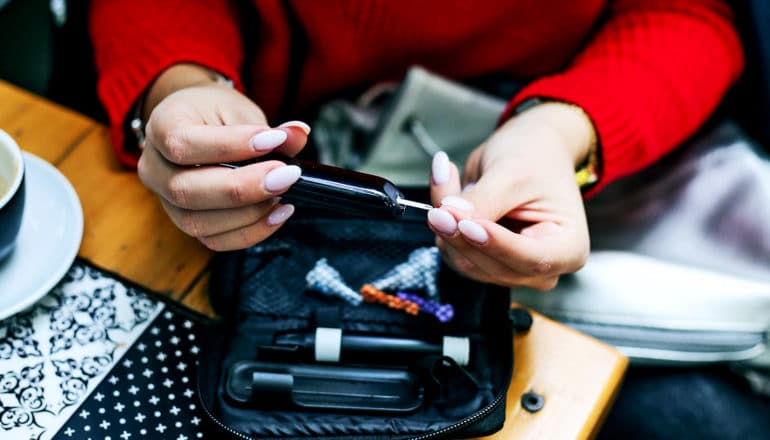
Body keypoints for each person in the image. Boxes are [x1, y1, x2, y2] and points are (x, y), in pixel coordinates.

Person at [88, 0, 743, 291]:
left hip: (567, 142)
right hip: (248, 174)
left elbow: (691, 14)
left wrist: (561, 130)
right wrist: (175, 83)